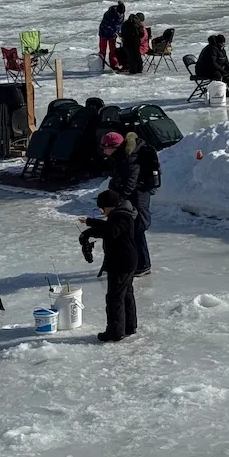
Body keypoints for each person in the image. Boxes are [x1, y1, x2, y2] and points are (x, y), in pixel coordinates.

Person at [80, 189, 139, 342]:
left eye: (102, 208)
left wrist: (90, 223)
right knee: (125, 294)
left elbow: (110, 231)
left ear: (110, 206)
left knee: (115, 297)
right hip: (125, 261)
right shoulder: (120, 214)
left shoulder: (121, 216)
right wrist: (90, 230)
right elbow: (109, 230)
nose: (102, 211)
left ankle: (115, 331)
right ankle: (129, 326)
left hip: (121, 262)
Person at [101, 130, 157, 277]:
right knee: (130, 230)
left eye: (105, 147)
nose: (103, 150)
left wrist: (118, 201)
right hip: (131, 195)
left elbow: (130, 182)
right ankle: (133, 263)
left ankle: (144, 265)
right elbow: (117, 178)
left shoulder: (129, 157)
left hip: (139, 195)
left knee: (138, 228)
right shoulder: (119, 157)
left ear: (114, 147)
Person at [98, 2, 125, 70]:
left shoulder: (122, 15)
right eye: (119, 13)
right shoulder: (109, 14)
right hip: (103, 33)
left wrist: (118, 32)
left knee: (113, 50)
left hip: (113, 35)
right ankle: (100, 65)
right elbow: (105, 25)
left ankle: (114, 64)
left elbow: (120, 25)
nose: (120, 15)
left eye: (121, 13)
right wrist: (113, 30)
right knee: (102, 50)